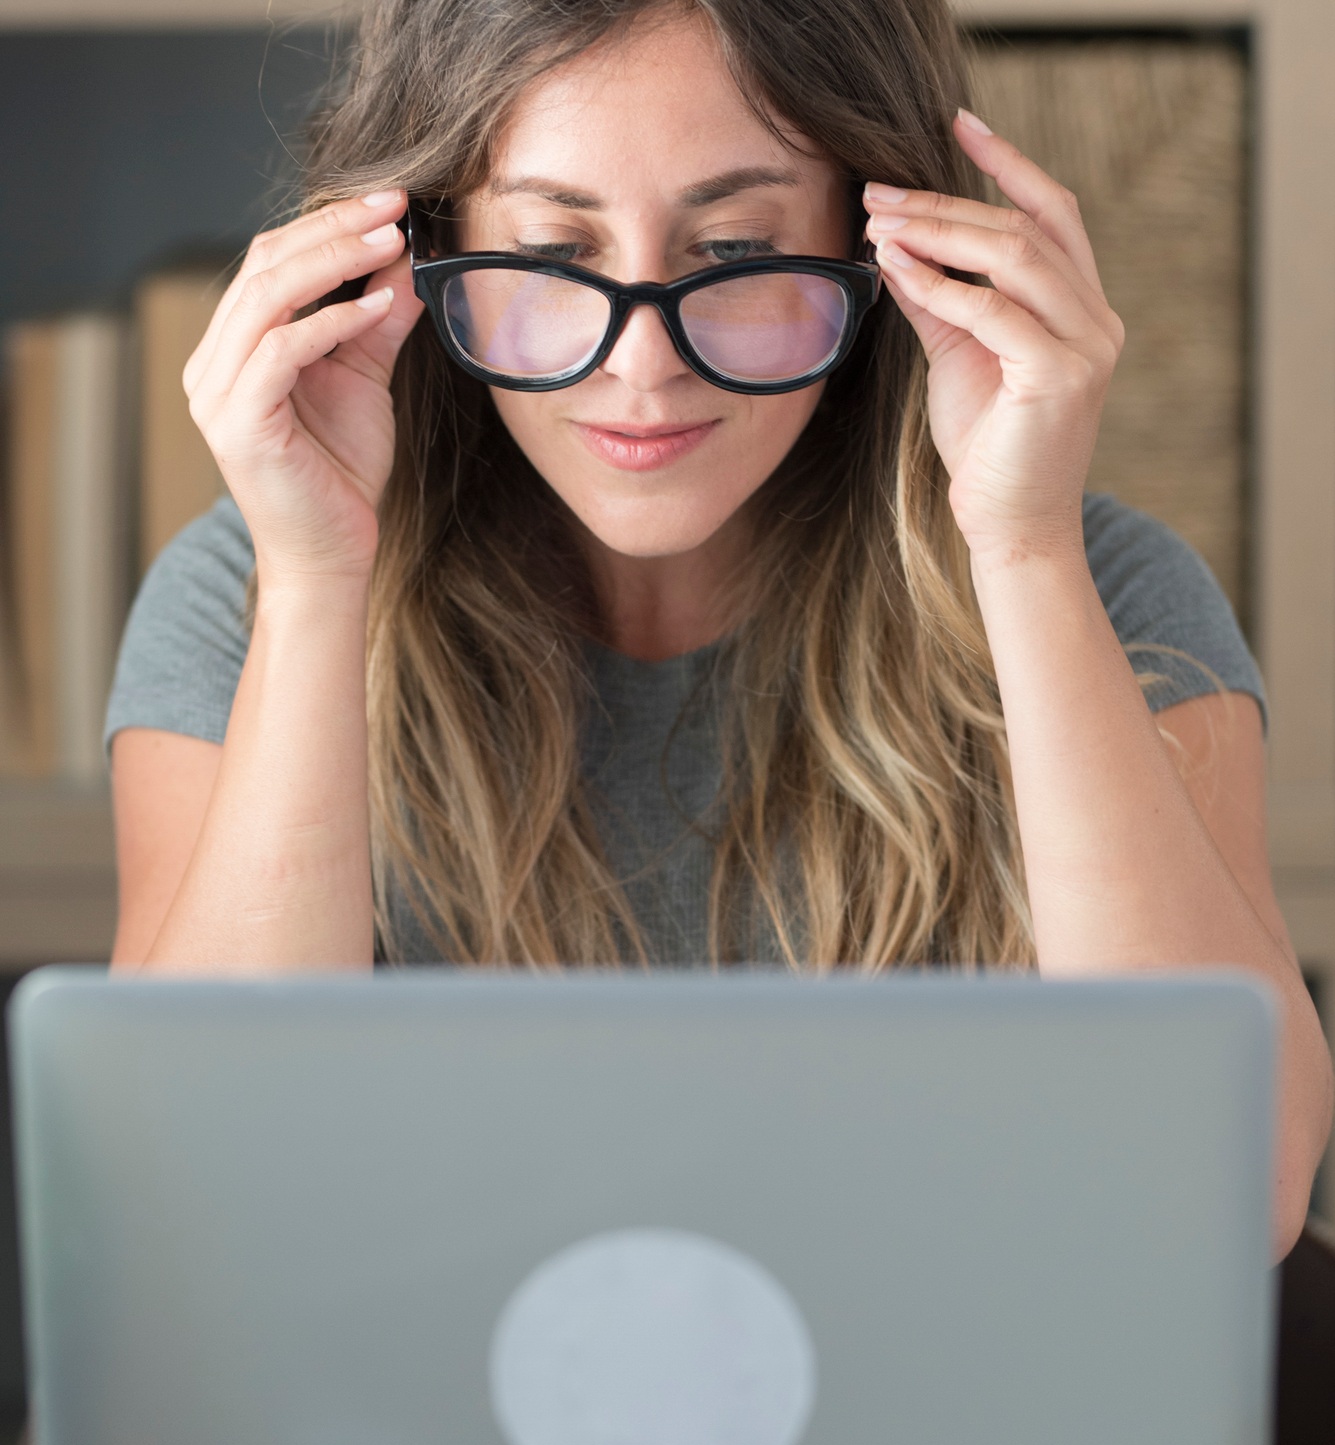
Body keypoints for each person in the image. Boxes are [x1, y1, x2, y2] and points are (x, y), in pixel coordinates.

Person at [106, 0, 1331, 1253]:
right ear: (410, 255)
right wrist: (315, 584)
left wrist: (1022, 552)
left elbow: (1233, 1197)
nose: (640, 365)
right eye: (550, 254)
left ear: (887, 249)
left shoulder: (1107, 596)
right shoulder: (246, 599)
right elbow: (201, 1198)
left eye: (739, 252)